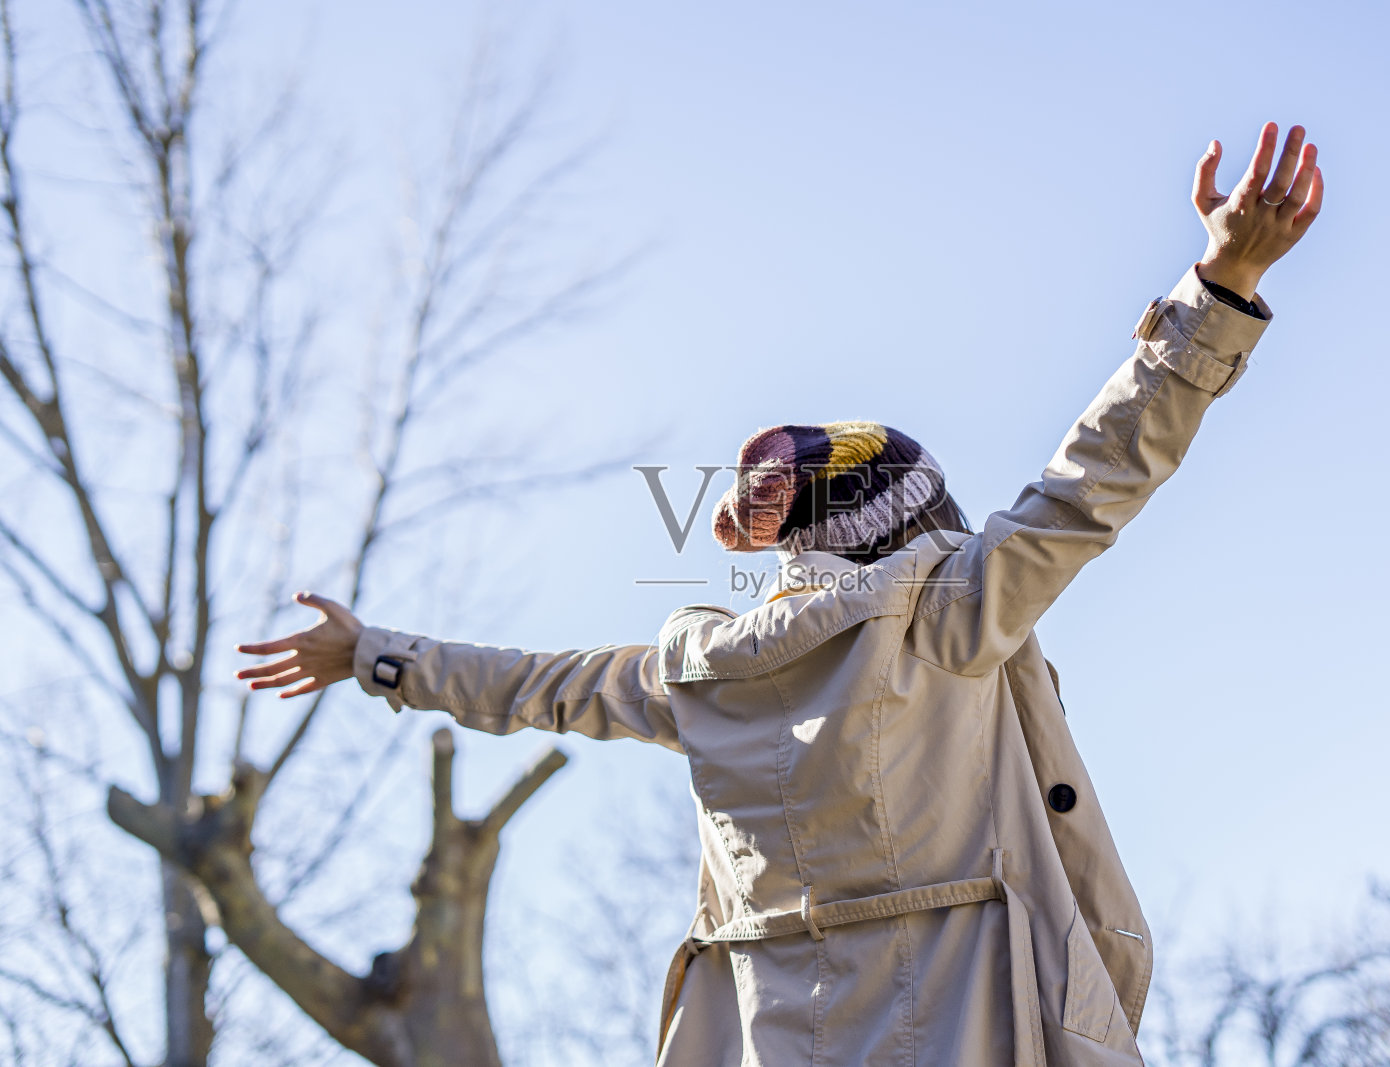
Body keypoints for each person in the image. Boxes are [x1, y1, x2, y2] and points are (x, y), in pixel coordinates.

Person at [238, 121, 1323, 1067]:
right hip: (966, 1024)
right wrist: (1218, 286)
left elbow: (535, 684)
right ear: (916, 524)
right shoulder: (949, 613)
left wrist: (374, 652)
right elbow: (1096, 476)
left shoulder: (702, 674)